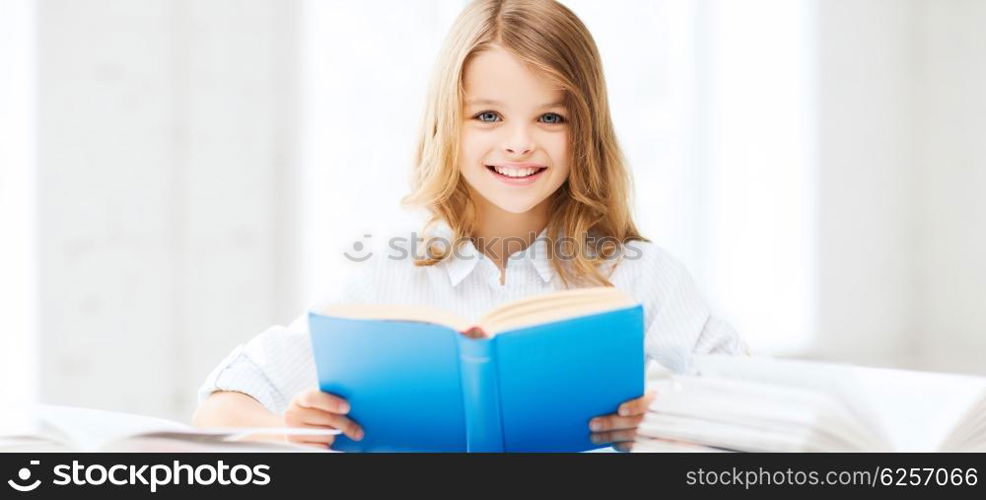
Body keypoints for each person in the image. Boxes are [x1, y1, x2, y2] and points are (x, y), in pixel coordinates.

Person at [192, 0, 747, 452]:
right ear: (448, 124)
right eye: (488, 116)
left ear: (588, 132)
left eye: (551, 117)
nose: (519, 142)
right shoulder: (386, 275)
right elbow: (219, 407)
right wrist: (293, 434)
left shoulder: (643, 277)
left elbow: (764, 420)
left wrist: (673, 426)